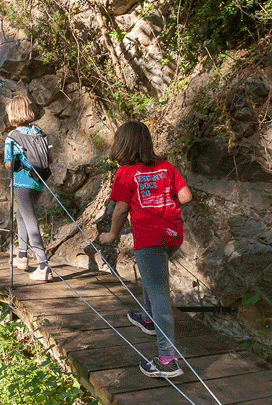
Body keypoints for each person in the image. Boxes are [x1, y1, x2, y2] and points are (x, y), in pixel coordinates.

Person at [98, 121, 192, 379]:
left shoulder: (126, 173)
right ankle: (147, 319)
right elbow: (185, 196)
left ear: (123, 144)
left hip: (149, 238)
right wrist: (165, 209)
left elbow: (120, 209)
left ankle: (167, 359)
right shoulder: (166, 166)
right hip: (173, 235)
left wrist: (113, 235)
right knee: (154, 280)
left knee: (160, 294)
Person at [4, 96, 54, 282]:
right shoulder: (39, 131)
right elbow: (51, 159)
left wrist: (16, 162)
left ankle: (43, 267)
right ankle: (22, 256)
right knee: (22, 216)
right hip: (39, 182)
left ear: (13, 114)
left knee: (30, 220)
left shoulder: (13, 136)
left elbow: (9, 164)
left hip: (22, 183)